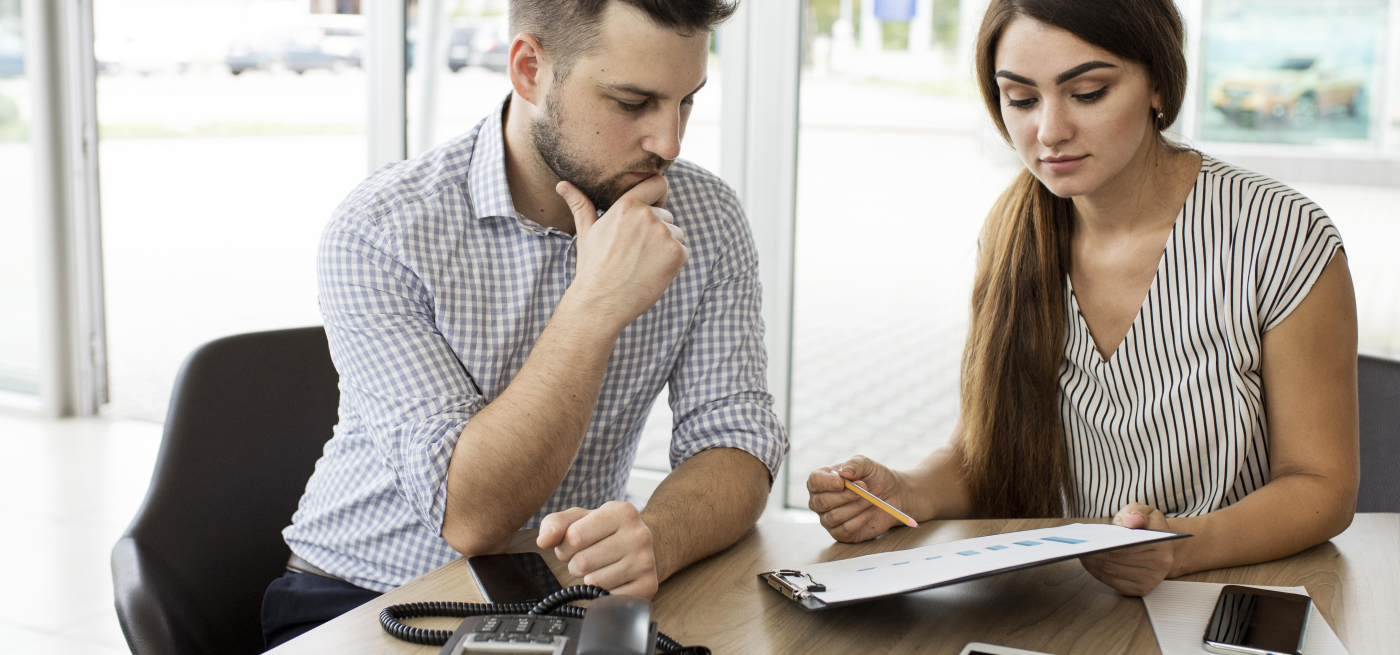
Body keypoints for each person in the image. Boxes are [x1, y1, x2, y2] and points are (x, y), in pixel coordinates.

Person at [261, 0, 788, 647]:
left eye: (686, 101)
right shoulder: (383, 228)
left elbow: (735, 433)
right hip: (361, 595)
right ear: (530, 69)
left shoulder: (705, 216)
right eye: (632, 102)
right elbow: (471, 516)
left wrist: (660, 535)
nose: (669, 143)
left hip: (558, 594)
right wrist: (593, 305)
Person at [808, 0, 1358, 598]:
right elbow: (984, 452)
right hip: (1071, 601)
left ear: (1158, 85)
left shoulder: (1281, 233)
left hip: (1237, 595)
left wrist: (1178, 547)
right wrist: (905, 490)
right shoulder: (1013, 232)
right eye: (1020, 99)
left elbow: (1321, 485)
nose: (1048, 131)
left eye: (1088, 92)